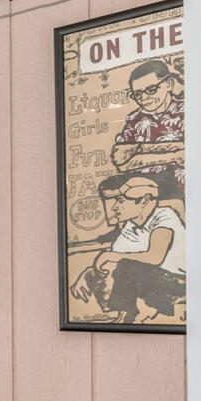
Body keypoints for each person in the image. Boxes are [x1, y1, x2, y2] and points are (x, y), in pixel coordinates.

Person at [70, 173, 185, 324]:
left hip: (179, 284)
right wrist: (88, 274)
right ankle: (125, 312)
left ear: (145, 200)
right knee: (114, 268)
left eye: (120, 200)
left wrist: (110, 257)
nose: (114, 208)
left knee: (128, 266)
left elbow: (155, 258)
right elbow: (114, 258)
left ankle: (135, 312)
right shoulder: (130, 225)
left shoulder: (164, 216)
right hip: (153, 284)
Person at [110, 57, 185, 198]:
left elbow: (191, 153)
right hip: (142, 198)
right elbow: (122, 163)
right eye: (137, 94)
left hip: (184, 197)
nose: (144, 98)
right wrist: (174, 156)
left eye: (151, 90)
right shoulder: (134, 120)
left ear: (169, 84)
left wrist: (138, 150)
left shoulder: (185, 111)